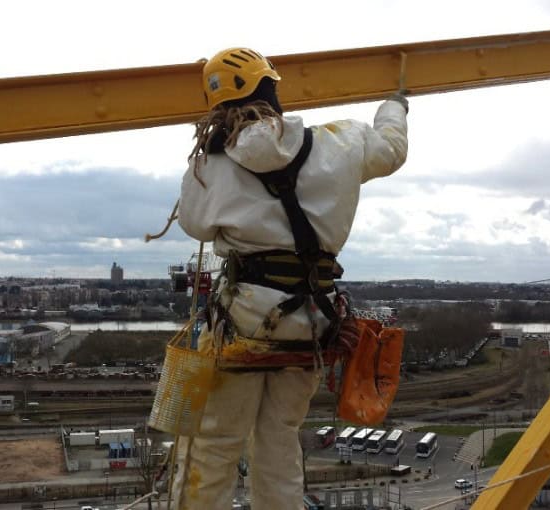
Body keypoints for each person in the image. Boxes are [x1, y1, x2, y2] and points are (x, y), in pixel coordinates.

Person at [173, 47, 408, 509]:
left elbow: (197, 226)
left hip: (243, 320)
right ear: (274, 87)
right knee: (279, 439)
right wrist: (395, 105)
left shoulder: (211, 163)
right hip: (312, 320)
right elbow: (392, 150)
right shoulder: (341, 141)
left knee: (214, 443)